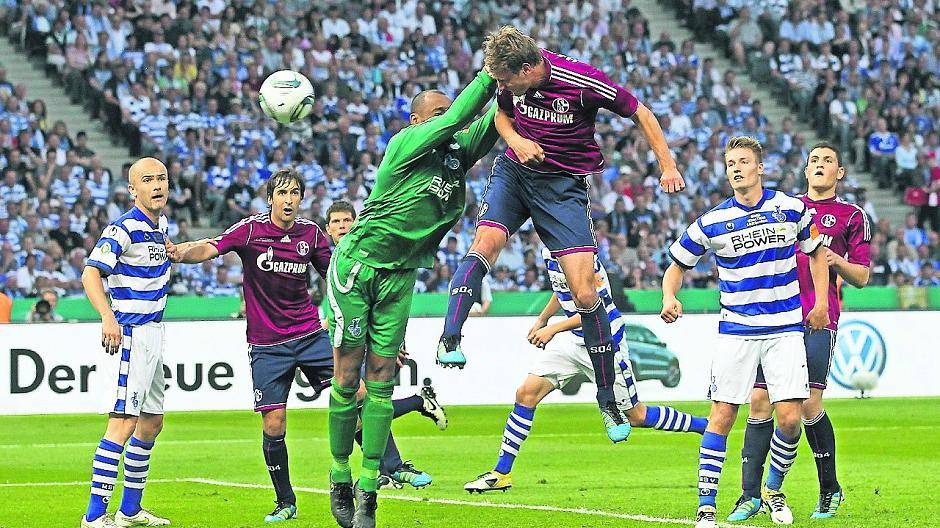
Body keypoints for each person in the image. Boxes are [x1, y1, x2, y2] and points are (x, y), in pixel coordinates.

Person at [437, 26, 685, 443]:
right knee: (484, 245)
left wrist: (667, 165)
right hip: (515, 174)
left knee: (586, 293)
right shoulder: (508, 81)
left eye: (505, 80)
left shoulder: (581, 81)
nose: (499, 86)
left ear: (530, 68)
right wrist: (515, 137)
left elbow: (641, 111)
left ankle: (607, 400)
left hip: (563, 188)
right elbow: (501, 114)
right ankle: (450, 336)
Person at [326, 67, 498, 528]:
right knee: (347, 377)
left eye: (449, 114)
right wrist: (488, 75)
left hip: (401, 276)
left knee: (381, 378)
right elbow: (464, 113)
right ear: (416, 121)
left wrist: (527, 76)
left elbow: (494, 118)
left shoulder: (454, 158)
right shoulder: (403, 146)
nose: (450, 121)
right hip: (358, 267)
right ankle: (339, 473)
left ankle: (367, 489)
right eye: (438, 114)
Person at [660, 137, 830, 528]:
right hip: (737, 332)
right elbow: (676, 263)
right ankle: (706, 506)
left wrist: (820, 301)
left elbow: (816, 251)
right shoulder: (712, 221)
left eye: (742, 162)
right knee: (722, 415)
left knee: (789, 418)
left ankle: (773, 490)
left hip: (785, 330)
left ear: (760, 168)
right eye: (730, 163)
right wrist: (669, 296)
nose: (735, 169)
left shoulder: (790, 209)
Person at [464, 248, 707, 493]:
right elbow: (562, 292)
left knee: (637, 416)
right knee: (526, 393)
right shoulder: (550, 252)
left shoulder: (585, 257)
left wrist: (553, 329)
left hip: (605, 342)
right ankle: (501, 473)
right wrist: (542, 319)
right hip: (575, 342)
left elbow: (595, 311)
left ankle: (704, 426)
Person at [730, 143, 871, 522]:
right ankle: (749, 495)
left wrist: (834, 259)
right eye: (814, 161)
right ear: (806, 171)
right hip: (774, 319)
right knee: (759, 403)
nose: (820, 166)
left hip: (817, 319)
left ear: (839, 173)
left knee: (807, 406)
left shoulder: (850, 216)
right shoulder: (783, 209)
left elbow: (861, 277)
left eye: (828, 161)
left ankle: (829, 489)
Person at [323, 200, 448, 490]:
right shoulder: (328, 260)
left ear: (356, 224)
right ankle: (392, 459)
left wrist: (397, 341)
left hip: (364, 340)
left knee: (363, 398)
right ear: (328, 229)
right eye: (336, 222)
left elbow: (385, 301)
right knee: (355, 411)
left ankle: (391, 466)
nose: (342, 226)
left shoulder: (367, 257)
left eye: (347, 221)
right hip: (339, 339)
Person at [80, 157, 173, 528]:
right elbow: (91, 273)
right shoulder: (122, 228)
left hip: (155, 333)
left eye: (162, 178)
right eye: (147, 180)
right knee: (122, 423)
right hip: (132, 333)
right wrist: (108, 317)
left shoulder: (159, 225)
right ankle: (94, 516)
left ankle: (130, 511)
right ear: (133, 190)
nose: (157, 185)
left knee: (152, 421)